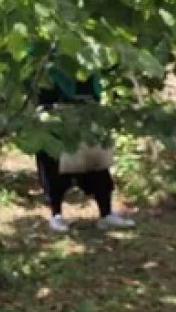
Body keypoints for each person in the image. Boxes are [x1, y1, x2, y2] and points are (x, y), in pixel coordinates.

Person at [33, 63, 136, 233]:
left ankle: (106, 213)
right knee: (53, 162)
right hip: (53, 107)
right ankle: (56, 214)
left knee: (96, 161)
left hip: (87, 106)